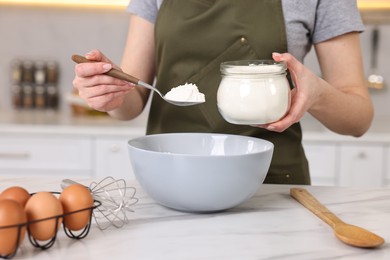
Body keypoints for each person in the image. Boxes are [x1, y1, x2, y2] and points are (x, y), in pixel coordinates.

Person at [73, 0, 373, 185]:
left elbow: (358, 119)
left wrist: (317, 93)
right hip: (170, 179)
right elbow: (132, 100)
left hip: (270, 188)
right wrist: (112, 94)